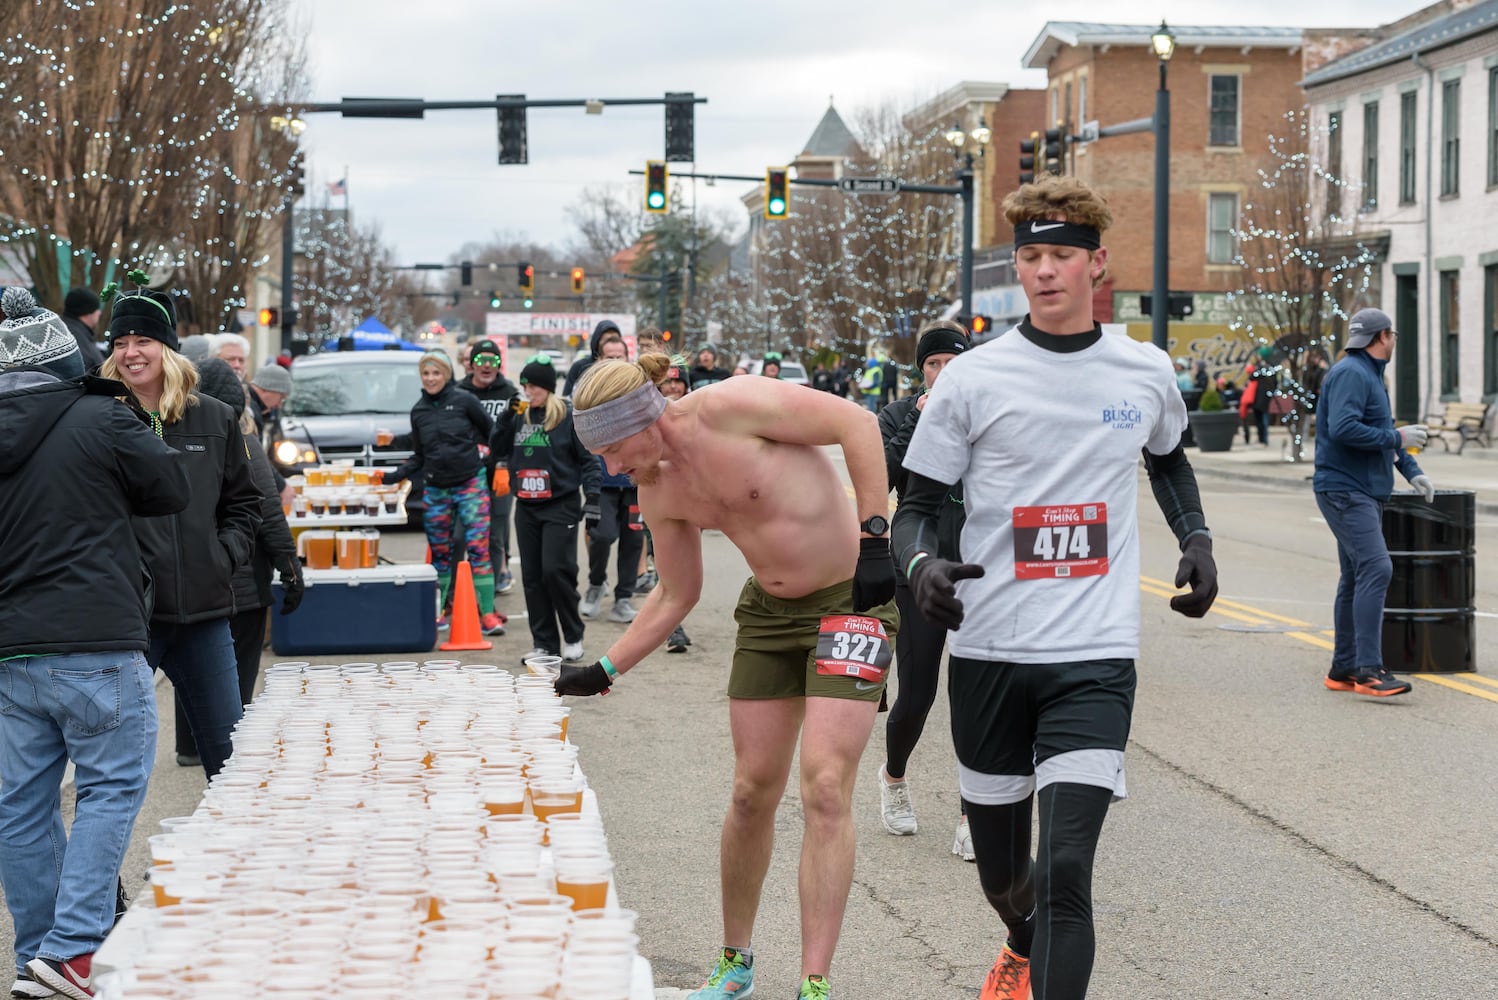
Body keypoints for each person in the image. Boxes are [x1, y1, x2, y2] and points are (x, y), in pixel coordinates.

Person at [892, 175, 1218, 1000]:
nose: (1042, 270)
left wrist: (1198, 538)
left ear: (1096, 264)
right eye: (1029, 255)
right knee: (1006, 877)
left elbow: (1168, 457)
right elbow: (918, 509)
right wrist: (921, 566)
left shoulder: (1143, 370)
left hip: (1095, 652)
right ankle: (1018, 940)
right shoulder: (971, 378)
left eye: (1060, 255)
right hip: (992, 651)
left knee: (1069, 864)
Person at [559, 355, 899, 1000]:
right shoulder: (657, 491)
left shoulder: (733, 406)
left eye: (612, 450)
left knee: (825, 786)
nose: (610, 469)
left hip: (855, 600)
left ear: (644, 419)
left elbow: (857, 423)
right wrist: (603, 670)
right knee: (750, 791)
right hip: (769, 617)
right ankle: (735, 964)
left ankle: (814, 983)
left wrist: (877, 538)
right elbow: (675, 595)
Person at [0, 287, 191, 1000]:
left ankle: (38, 956)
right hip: (96, 640)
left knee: (21, 805)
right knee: (110, 790)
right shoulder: (100, 416)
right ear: (65, 360)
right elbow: (169, 487)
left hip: (11, 649)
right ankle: (76, 946)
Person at [101, 278, 262, 781]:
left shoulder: (213, 417)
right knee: (114, 766)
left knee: (228, 756)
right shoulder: (97, 417)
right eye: (120, 342)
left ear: (167, 348)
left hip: (205, 613)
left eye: (142, 340)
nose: (131, 353)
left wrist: (223, 557)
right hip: (128, 620)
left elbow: (244, 502)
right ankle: (104, 864)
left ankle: (234, 858)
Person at [875, 320, 974, 859]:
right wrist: (916, 423)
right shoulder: (896, 415)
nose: (942, 374)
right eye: (933, 365)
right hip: (919, 565)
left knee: (974, 694)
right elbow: (883, 477)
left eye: (952, 364)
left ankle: (971, 813)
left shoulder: (982, 411)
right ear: (921, 371)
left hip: (979, 566)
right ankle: (893, 779)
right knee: (918, 691)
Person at [1313, 307, 1432, 698]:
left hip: (1362, 488)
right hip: (1346, 489)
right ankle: (1369, 670)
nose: (1394, 340)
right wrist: (1399, 438)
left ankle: (1343, 667)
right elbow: (1343, 428)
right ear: (1382, 337)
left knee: (1355, 575)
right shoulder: (1352, 373)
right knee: (1377, 568)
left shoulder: (1370, 375)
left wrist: (1411, 470)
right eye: (1392, 334)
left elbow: (1380, 432)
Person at [195, 359, 303, 709]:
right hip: (242, 583)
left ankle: (189, 744)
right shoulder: (243, 441)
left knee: (191, 672)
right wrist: (290, 568)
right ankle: (230, 740)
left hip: (192, 587)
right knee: (236, 671)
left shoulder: (173, 440)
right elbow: (268, 513)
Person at [387, 350, 505, 636]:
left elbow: (493, 433)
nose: (430, 379)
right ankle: (439, 612)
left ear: (447, 374)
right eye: (426, 373)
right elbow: (419, 455)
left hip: (470, 484)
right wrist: (394, 476)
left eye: (436, 373)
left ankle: (487, 614)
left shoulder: (465, 400)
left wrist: (495, 463)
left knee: (479, 549)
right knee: (440, 553)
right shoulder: (419, 411)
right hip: (436, 489)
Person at [500, 358, 600, 663]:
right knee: (532, 576)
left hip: (561, 504)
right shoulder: (520, 416)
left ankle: (572, 634)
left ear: (547, 387)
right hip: (527, 507)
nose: (529, 392)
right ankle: (544, 643)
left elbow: (589, 461)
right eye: (526, 386)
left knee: (556, 570)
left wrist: (593, 499)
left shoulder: (567, 416)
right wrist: (504, 420)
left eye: (534, 386)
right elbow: (498, 448)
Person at [581, 337, 643, 624]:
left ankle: (623, 598)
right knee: (602, 535)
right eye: (609, 357)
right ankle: (596, 584)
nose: (615, 362)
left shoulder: (640, 393)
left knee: (632, 540)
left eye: (621, 356)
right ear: (599, 360)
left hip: (634, 483)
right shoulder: (590, 395)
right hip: (604, 483)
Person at [457, 338, 521, 597]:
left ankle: (492, 585)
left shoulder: (509, 393)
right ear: (471, 365)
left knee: (497, 528)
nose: (486, 366)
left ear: (499, 364)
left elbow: (517, 431)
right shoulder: (459, 392)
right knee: (463, 530)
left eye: (492, 361)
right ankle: (463, 581)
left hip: (501, 470)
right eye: (480, 360)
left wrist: (507, 462)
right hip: (468, 471)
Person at [563, 319, 622, 397]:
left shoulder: (628, 371)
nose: (611, 344)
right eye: (606, 340)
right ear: (597, 342)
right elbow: (566, 400)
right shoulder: (580, 367)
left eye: (615, 340)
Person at [60, 287, 105, 371]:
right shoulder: (77, 338)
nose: (99, 313)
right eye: (97, 309)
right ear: (89, 312)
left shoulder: (62, 329)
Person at [247, 363, 291, 436]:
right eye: (281, 398)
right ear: (268, 388)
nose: (279, 405)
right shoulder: (250, 412)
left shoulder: (252, 407)